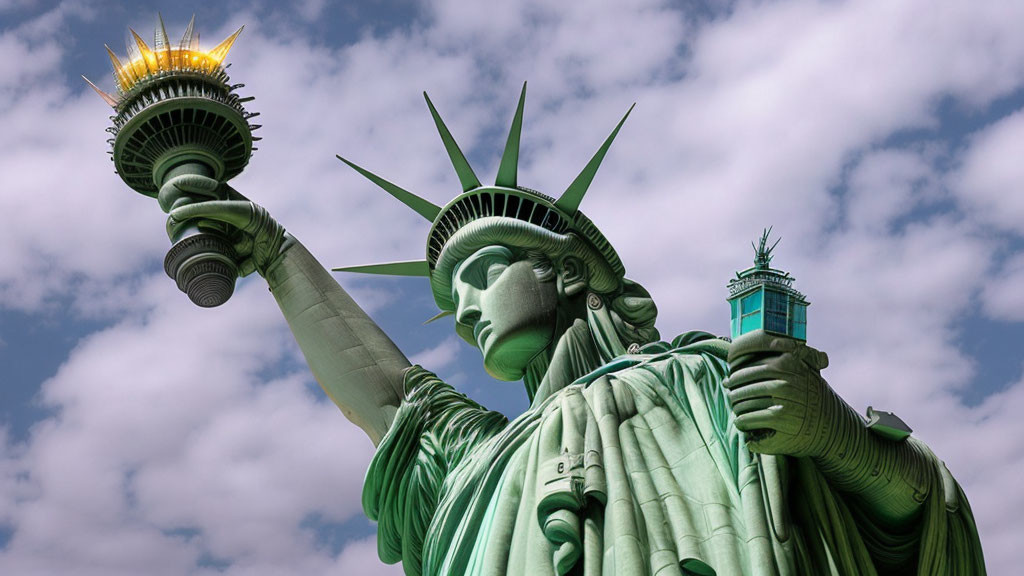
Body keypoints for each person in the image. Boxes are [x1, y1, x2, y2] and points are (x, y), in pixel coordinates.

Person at [161, 86, 985, 575]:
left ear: (563, 270)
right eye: (453, 295)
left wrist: (835, 436)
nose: (467, 304)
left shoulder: (703, 379)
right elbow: (390, 402)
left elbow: (921, 515)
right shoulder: (491, 459)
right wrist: (274, 253)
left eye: (483, 270)